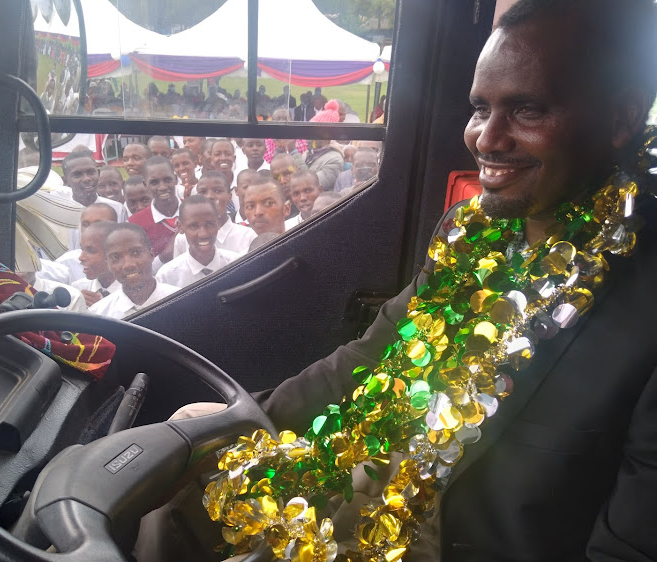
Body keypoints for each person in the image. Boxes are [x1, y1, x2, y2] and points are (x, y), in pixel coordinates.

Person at [136, 1, 657, 561]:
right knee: (168, 505)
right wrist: (240, 422)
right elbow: (370, 354)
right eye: (480, 108)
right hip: (381, 489)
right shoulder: (470, 231)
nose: (486, 138)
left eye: (527, 110)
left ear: (621, 120)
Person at [90, 223, 180, 320]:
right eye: (116, 257)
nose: (128, 265)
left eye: (136, 252)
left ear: (151, 254)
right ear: (108, 264)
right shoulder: (99, 317)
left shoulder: (181, 301)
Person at [156, 196, 241, 289]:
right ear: (180, 227)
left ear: (218, 223)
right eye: (193, 226)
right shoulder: (167, 277)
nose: (203, 234)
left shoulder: (237, 264)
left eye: (209, 224)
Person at [173, 172, 257, 257]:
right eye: (203, 192)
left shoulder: (248, 237)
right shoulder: (183, 239)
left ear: (229, 197)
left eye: (218, 191)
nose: (210, 196)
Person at [128, 156, 180, 266]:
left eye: (167, 180)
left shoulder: (194, 210)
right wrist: (165, 256)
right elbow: (139, 267)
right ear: (145, 185)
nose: (162, 187)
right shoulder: (134, 224)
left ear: (175, 179)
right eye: (154, 182)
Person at [60, 150, 127, 222]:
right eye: (77, 175)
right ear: (66, 181)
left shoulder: (118, 210)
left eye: (91, 172)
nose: (86, 179)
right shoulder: (60, 214)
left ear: (98, 174)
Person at [72, 221, 121, 307]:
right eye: (82, 249)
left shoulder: (134, 292)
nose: (81, 257)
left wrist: (100, 311)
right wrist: (76, 306)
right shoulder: (78, 289)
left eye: (90, 251)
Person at [307, 101, 345, 191]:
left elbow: (309, 185)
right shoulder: (310, 152)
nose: (310, 132)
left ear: (325, 134)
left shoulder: (335, 159)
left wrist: (294, 153)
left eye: (314, 129)